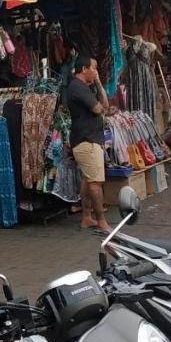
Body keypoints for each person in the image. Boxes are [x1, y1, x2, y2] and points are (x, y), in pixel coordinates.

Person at [66, 55, 116, 232]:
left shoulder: (85, 88)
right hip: (86, 140)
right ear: (84, 69)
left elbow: (104, 104)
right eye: (93, 68)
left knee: (88, 180)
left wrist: (99, 84)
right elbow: (98, 108)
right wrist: (102, 108)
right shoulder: (78, 88)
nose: (96, 71)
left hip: (88, 138)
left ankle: (87, 217)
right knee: (95, 182)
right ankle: (101, 220)